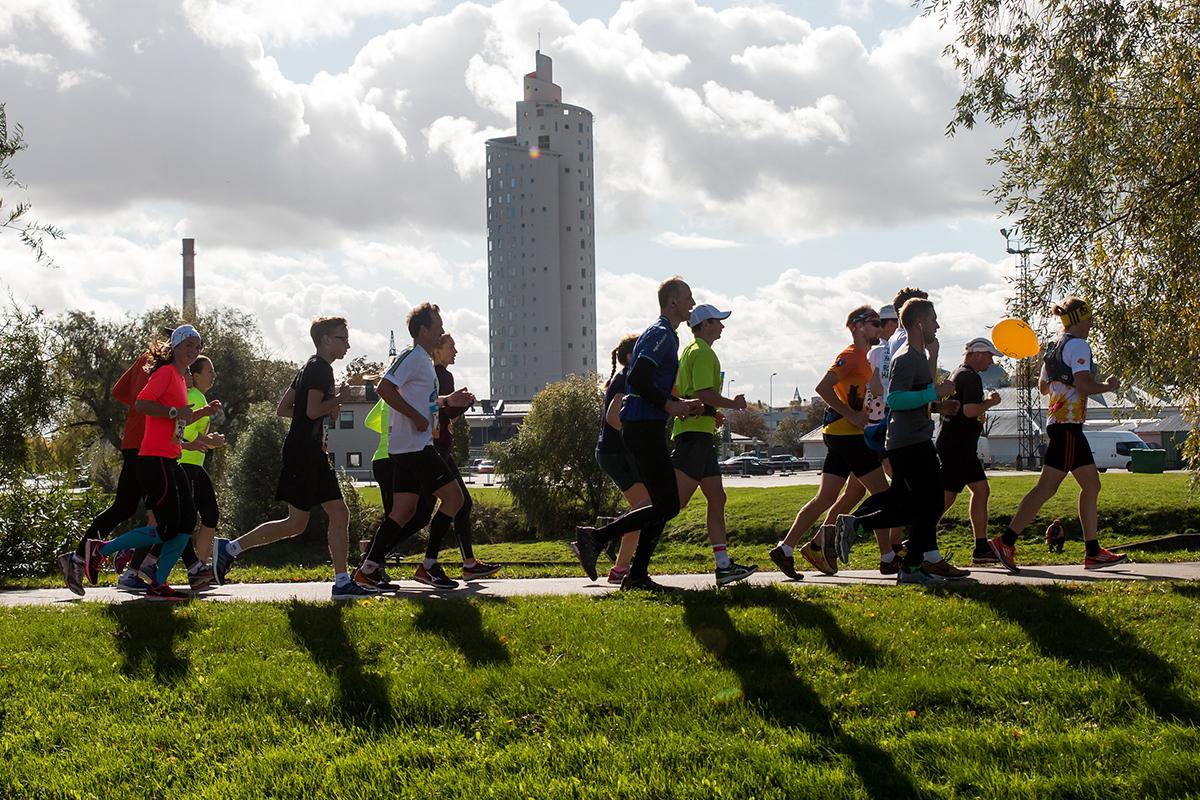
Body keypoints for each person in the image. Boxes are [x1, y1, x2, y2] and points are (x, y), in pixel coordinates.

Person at [212, 316, 370, 598]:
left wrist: (326, 408)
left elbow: (284, 408)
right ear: (325, 340)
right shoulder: (321, 369)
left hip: (312, 453)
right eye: (342, 338)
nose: (347, 344)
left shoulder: (308, 367)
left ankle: (342, 581)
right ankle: (229, 548)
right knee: (296, 523)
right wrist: (338, 399)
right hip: (304, 454)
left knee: (335, 513)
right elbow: (309, 411)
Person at [573, 277, 704, 591]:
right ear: (672, 302)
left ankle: (635, 575)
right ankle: (596, 539)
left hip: (644, 425)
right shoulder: (662, 335)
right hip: (642, 426)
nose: (692, 302)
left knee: (662, 503)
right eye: (688, 297)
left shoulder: (662, 334)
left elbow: (646, 383)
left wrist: (677, 404)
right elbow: (641, 379)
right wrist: (670, 406)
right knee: (667, 505)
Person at [835, 299, 972, 585]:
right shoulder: (908, 357)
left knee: (909, 503)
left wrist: (938, 407)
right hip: (909, 443)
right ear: (920, 323)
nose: (938, 325)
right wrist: (934, 392)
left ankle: (858, 527)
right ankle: (907, 566)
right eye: (934, 319)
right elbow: (895, 399)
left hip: (909, 439)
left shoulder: (918, 357)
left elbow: (911, 401)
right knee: (931, 505)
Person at [80, 325, 221, 600]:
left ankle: (158, 583)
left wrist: (203, 411)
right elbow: (143, 404)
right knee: (168, 527)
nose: (194, 351)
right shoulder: (166, 373)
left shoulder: (181, 380)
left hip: (171, 457)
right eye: (189, 345)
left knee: (186, 522)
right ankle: (100, 550)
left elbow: (179, 419)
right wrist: (173, 411)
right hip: (153, 458)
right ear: (176, 346)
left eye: (198, 346)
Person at [991, 297, 1129, 571]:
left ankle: (1092, 551)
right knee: (1046, 488)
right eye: (1089, 319)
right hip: (1068, 425)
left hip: (1061, 423)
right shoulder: (1078, 345)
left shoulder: (1054, 347)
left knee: (1092, 486)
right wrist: (1109, 386)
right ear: (1077, 320)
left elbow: (1043, 387)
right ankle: (1005, 542)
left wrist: (1060, 382)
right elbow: (1084, 385)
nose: (1091, 324)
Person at [354, 304, 473, 591]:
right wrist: (416, 416)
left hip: (408, 446)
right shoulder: (412, 356)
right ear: (422, 330)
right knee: (455, 499)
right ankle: (429, 565)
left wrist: (447, 401)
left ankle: (368, 569)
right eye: (438, 327)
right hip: (414, 447)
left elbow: (424, 401)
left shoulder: (423, 361)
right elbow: (384, 388)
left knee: (403, 511)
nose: (441, 331)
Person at [768, 306, 889, 579]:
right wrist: (852, 415)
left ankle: (785, 548)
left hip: (844, 434)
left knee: (825, 497)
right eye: (875, 323)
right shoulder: (850, 356)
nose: (879, 329)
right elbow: (822, 387)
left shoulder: (864, 359)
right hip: (847, 435)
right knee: (882, 496)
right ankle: (888, 557)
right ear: (858, 326)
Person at [671, 303, 757, 586]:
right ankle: (616, 539)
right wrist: (733, 404)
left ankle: (723, 566)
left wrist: (712, 412)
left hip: (698, 434)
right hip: (694, 437)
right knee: (673, 504)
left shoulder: (689, 351)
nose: (722, 326)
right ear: (704, 324)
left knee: (717, 498)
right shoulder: (704, 353)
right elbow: (703, 392)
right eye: (718, 321)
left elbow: (689, 393)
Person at [60, 348, 153, 595]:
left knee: (125, 507)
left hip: (137, 441)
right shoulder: (154, 363)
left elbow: (119, 391)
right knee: (162, 512)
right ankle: (129, 561)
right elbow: (145, 400)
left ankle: (81, 557)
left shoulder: (144, 357)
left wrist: (135, 409)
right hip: (145, 444)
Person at [432, 332, 501, 579]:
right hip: (435, 448)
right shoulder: (441, 375)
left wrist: (459, 405)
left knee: (420, 511)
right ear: (437, 349)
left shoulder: (435, 374)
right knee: (456, 503)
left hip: (434, 446)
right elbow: (446, 413)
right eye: (451, 346)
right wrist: (461, 403)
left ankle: (465, 562)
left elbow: (445, 415)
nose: (456, 351)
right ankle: (441, 563)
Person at [937, 338, 1004, 564]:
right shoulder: (971, 376)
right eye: (989, 356)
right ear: (977, 354)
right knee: (946, 498)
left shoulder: (958, 373)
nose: (990, 361)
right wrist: (990, 402)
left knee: (980, 490)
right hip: (958, 445)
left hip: (959, 444)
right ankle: (920, 540)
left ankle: (981, 547)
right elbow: (969, 410)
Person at [593, 334, 644, 584]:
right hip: (615, 453)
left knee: (643, 508)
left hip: (617, 452)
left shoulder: (627, 378)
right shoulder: (625, 379)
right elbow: (614, 417)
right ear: (629, 357)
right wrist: (634, 438)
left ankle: (620, 568)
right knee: (643, 508)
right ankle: (599, 546)